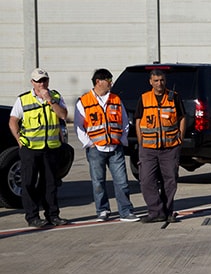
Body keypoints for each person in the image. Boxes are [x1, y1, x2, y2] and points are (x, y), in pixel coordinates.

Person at [75, 69, 139, 222]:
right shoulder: (84, 101)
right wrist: (89, 144)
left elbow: (124, 122)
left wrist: (122, 140)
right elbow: (79, 125)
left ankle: (126, 211)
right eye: (108, 79)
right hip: (96, 149)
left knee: (122, 181)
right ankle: (102, 210)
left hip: (115, 148)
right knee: (98, 182)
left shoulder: (116, 99)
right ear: (98, 81)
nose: (111, 82)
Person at [8, 68, 70, 227]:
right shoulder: (24, 99)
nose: (42, 84)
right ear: (32, 82)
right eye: (38, 81)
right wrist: (18, 139)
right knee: (28, 182)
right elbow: (13, 120)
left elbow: (63, 115)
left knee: (50, 183)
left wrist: (50, 100)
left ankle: (52, 215)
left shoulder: (55, 96)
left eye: (44, 80)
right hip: (31, 148)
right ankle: (32, 216)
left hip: (51, 147)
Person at [134, 69, 185, 224]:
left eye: (162, 80)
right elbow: (138, 120)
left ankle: (168, 212)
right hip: (148, 148)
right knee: (146, 180)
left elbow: (182, 117)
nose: (159, 83)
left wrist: (180, 137)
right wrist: (141, 140)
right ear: (150, 82)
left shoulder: (174, 97)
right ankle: (156, 211)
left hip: (170, 148)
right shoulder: (144, 98)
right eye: (156, 80)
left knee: (170, 181)